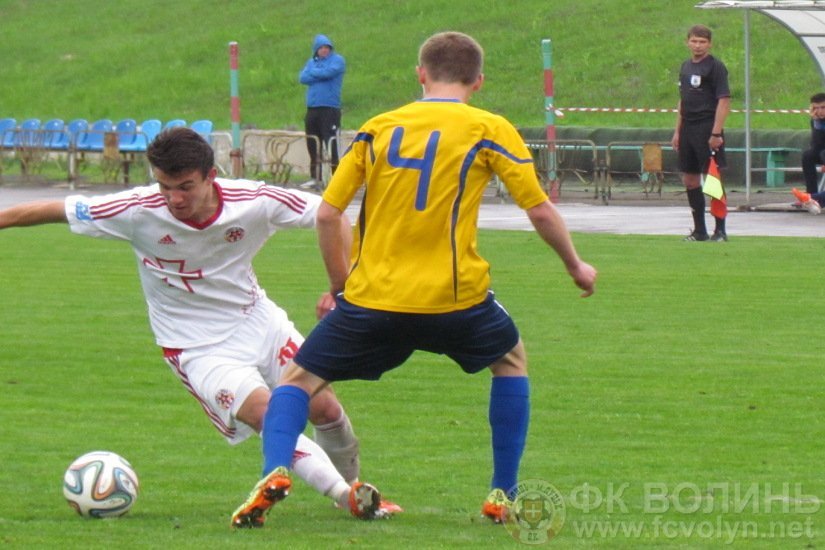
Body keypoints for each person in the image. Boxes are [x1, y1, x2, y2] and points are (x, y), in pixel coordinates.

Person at [231, 31, 597, 528]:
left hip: (373, 299)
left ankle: (275, 469)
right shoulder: (489, 128)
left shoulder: (377, 129)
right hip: (455, 299)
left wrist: (340, 288)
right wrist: (575, 265)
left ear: (420, 74)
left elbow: (329, 214)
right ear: (478, 81)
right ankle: (502, 493)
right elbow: (538, 209)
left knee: (298, 380)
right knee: (510, 361)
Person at [0, 127, 400, 527]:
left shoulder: (253, 201)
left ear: (211, 175)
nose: (174, 198)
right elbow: (50, 210)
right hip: (195, 347)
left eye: (185, 187)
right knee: (266, 413)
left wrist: (342, 285)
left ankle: (354, 489)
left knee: (324, 407)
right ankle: (345, 495)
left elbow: (332, 214)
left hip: (258, 322)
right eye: (164, 186)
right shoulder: (136, 210)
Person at [672, 24, 731, 242]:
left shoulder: (715, 67)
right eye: (694, 41)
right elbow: (682, 101)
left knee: (712, 178)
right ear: (687, 42)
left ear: (709, 44)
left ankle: (720, 230)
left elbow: (724, 100)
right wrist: (677, 131)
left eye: (702, 42)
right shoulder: (686, 66)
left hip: (706, 126)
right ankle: (699, 231)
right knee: (690, 179)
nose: (698, 45)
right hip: (688, 127)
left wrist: (716, 133)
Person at [299, 34, 345, 188]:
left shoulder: (337, 60)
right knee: (313, 141)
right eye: (321, 48)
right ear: (316, 49)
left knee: (331, 142)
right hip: (313, 108)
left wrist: (314, 72)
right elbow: (303, 78)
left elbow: (328, 73)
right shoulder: (312, 62)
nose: (324, 50)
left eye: (327, 47)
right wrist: (318, 72)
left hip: (330, 108)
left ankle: (336, 177)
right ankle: (315, 177)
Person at [800, 92, 825, 195]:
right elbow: (817, 146)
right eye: (816, 108)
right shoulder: (816, 121)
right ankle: (812, 194)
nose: (819, 111)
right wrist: (817, 123)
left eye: (823, 107)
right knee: (808, 156)